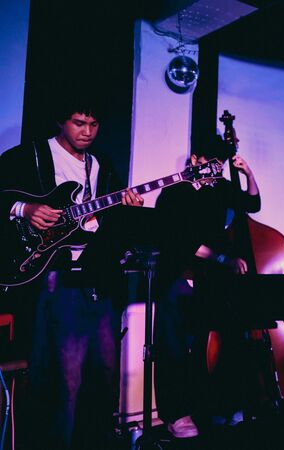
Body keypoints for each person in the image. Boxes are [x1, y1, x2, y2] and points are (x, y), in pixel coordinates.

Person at [0, 96, 144, 449]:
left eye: (94, 125)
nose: (87, 131)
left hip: (97, 280)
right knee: (65, 382)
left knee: (105, 377)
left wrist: (125, 211)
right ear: (61, 122)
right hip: (54, 282)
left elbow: (106, 226)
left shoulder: (102, 166)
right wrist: (24, 208)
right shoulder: (29, 155)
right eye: (79, 122)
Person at [152, 134, 260, 439]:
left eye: (220, 164)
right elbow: (180, 241)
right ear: (196, 160)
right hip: (178, 273)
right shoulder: (175, 192)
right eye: (211, 163)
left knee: (209, 343)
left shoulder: (222, 189)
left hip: (211, 278)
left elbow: (252, 202)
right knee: (173, 346)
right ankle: (176, 414)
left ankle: (217, 405)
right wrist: (223, 258)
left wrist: (248, 174)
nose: (216, 170)